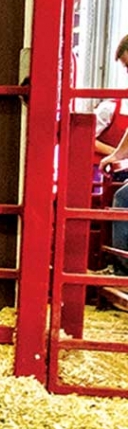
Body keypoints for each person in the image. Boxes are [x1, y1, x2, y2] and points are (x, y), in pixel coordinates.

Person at [95, 36, 128, 283]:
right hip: (114, 168)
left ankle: (122, 272)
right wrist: (116, 154)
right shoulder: (110, 106)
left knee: (122, 197)